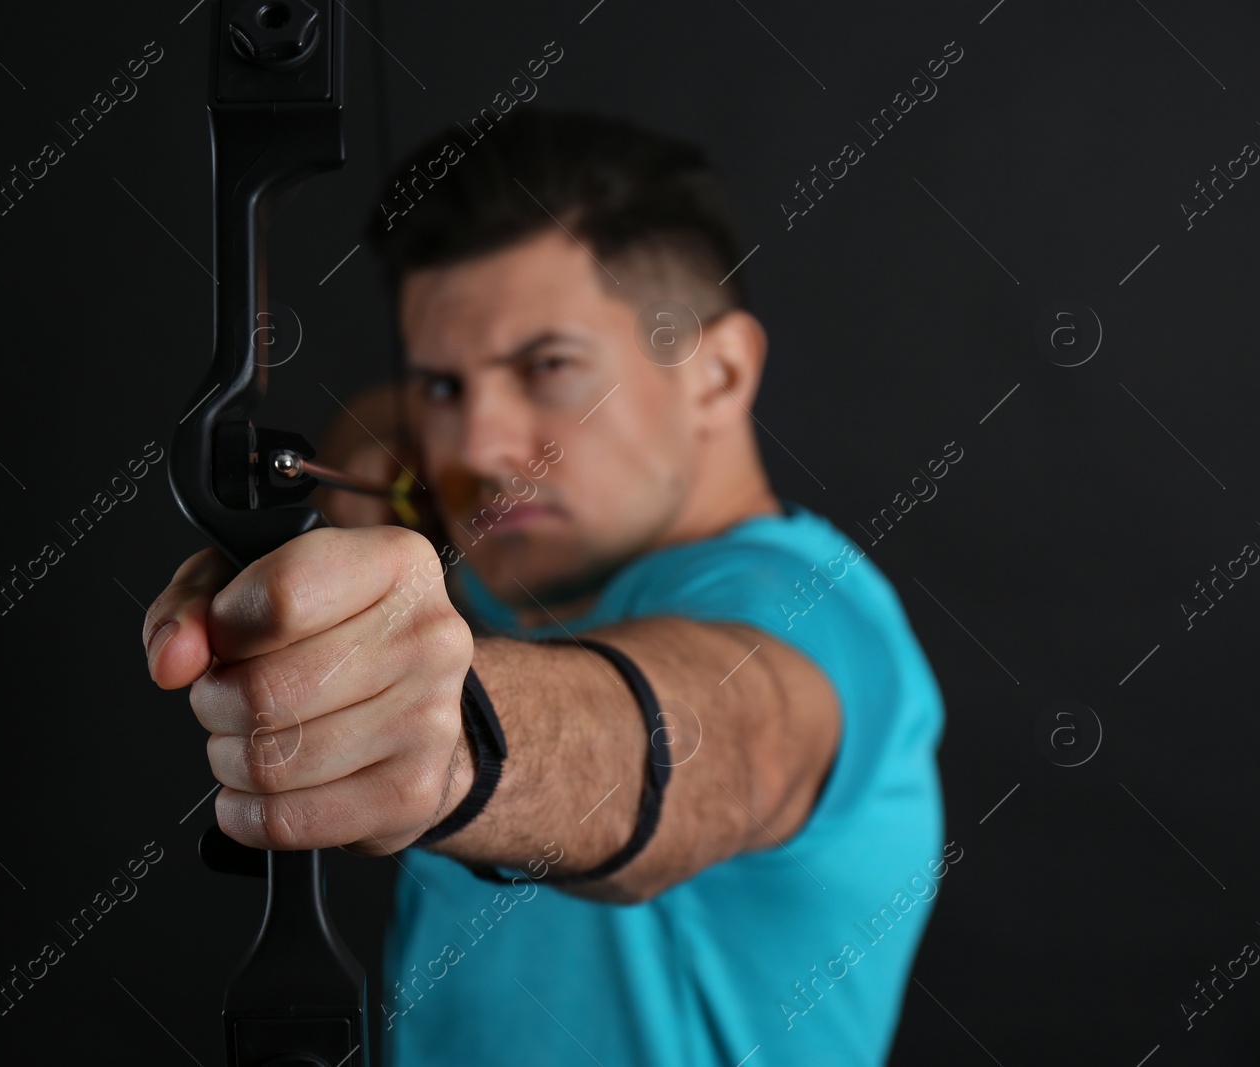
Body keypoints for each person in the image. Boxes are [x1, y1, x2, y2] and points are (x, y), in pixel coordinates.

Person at [141, 108, 947, 1066]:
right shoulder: (517, 584)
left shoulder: (813, 621)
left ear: (718, 374)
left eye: (549, 367)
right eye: (445, 386)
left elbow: (710, 737)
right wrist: (371, 477)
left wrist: (453, 736)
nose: (477, 448)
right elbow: (385, 429)